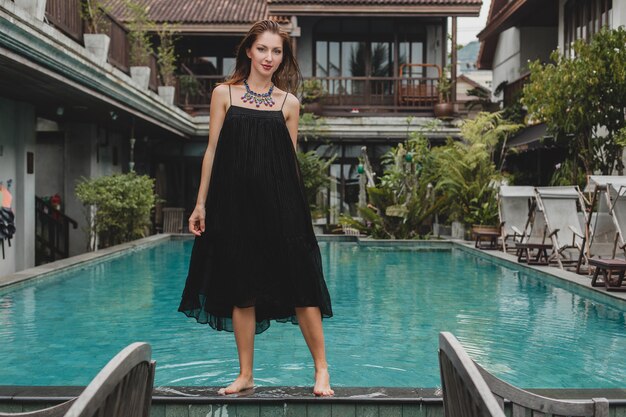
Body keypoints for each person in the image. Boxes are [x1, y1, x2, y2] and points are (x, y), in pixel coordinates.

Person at [178, 20, 334, 397]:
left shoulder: (289, 103)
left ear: (283, 57)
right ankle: (246, 374)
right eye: (263, 49)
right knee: (241, 288)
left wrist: (299, 216)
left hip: (282, 208)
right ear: (249, 50)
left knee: (303, 286)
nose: (269, 57)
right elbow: (212, 151)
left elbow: (289, 161)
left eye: (277, 51)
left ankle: (322, 371)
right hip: (234, 207)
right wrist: (201, 203)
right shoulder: (224, 94)